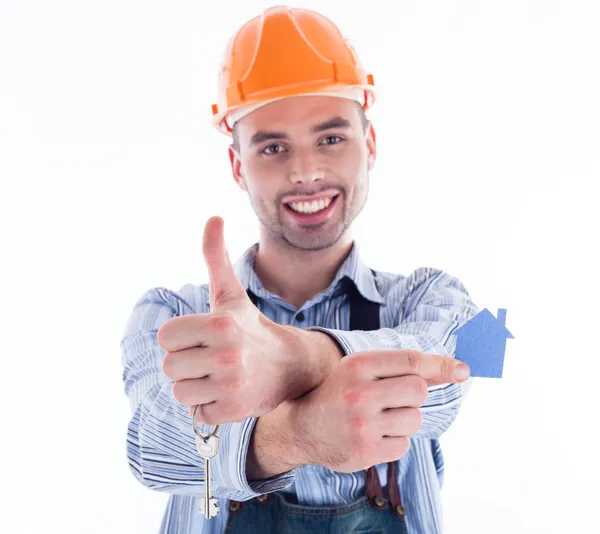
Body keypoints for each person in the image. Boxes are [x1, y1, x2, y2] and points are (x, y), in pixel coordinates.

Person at [120, 5, 479, 533]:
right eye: (273, 147)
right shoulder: (174, 315)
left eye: (330, 138)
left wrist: (290, 361)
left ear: (370, 145)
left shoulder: (432, 298)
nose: (306, 171)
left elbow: (451, 380)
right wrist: (297, 436)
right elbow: (152, 449)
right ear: (239, 166)